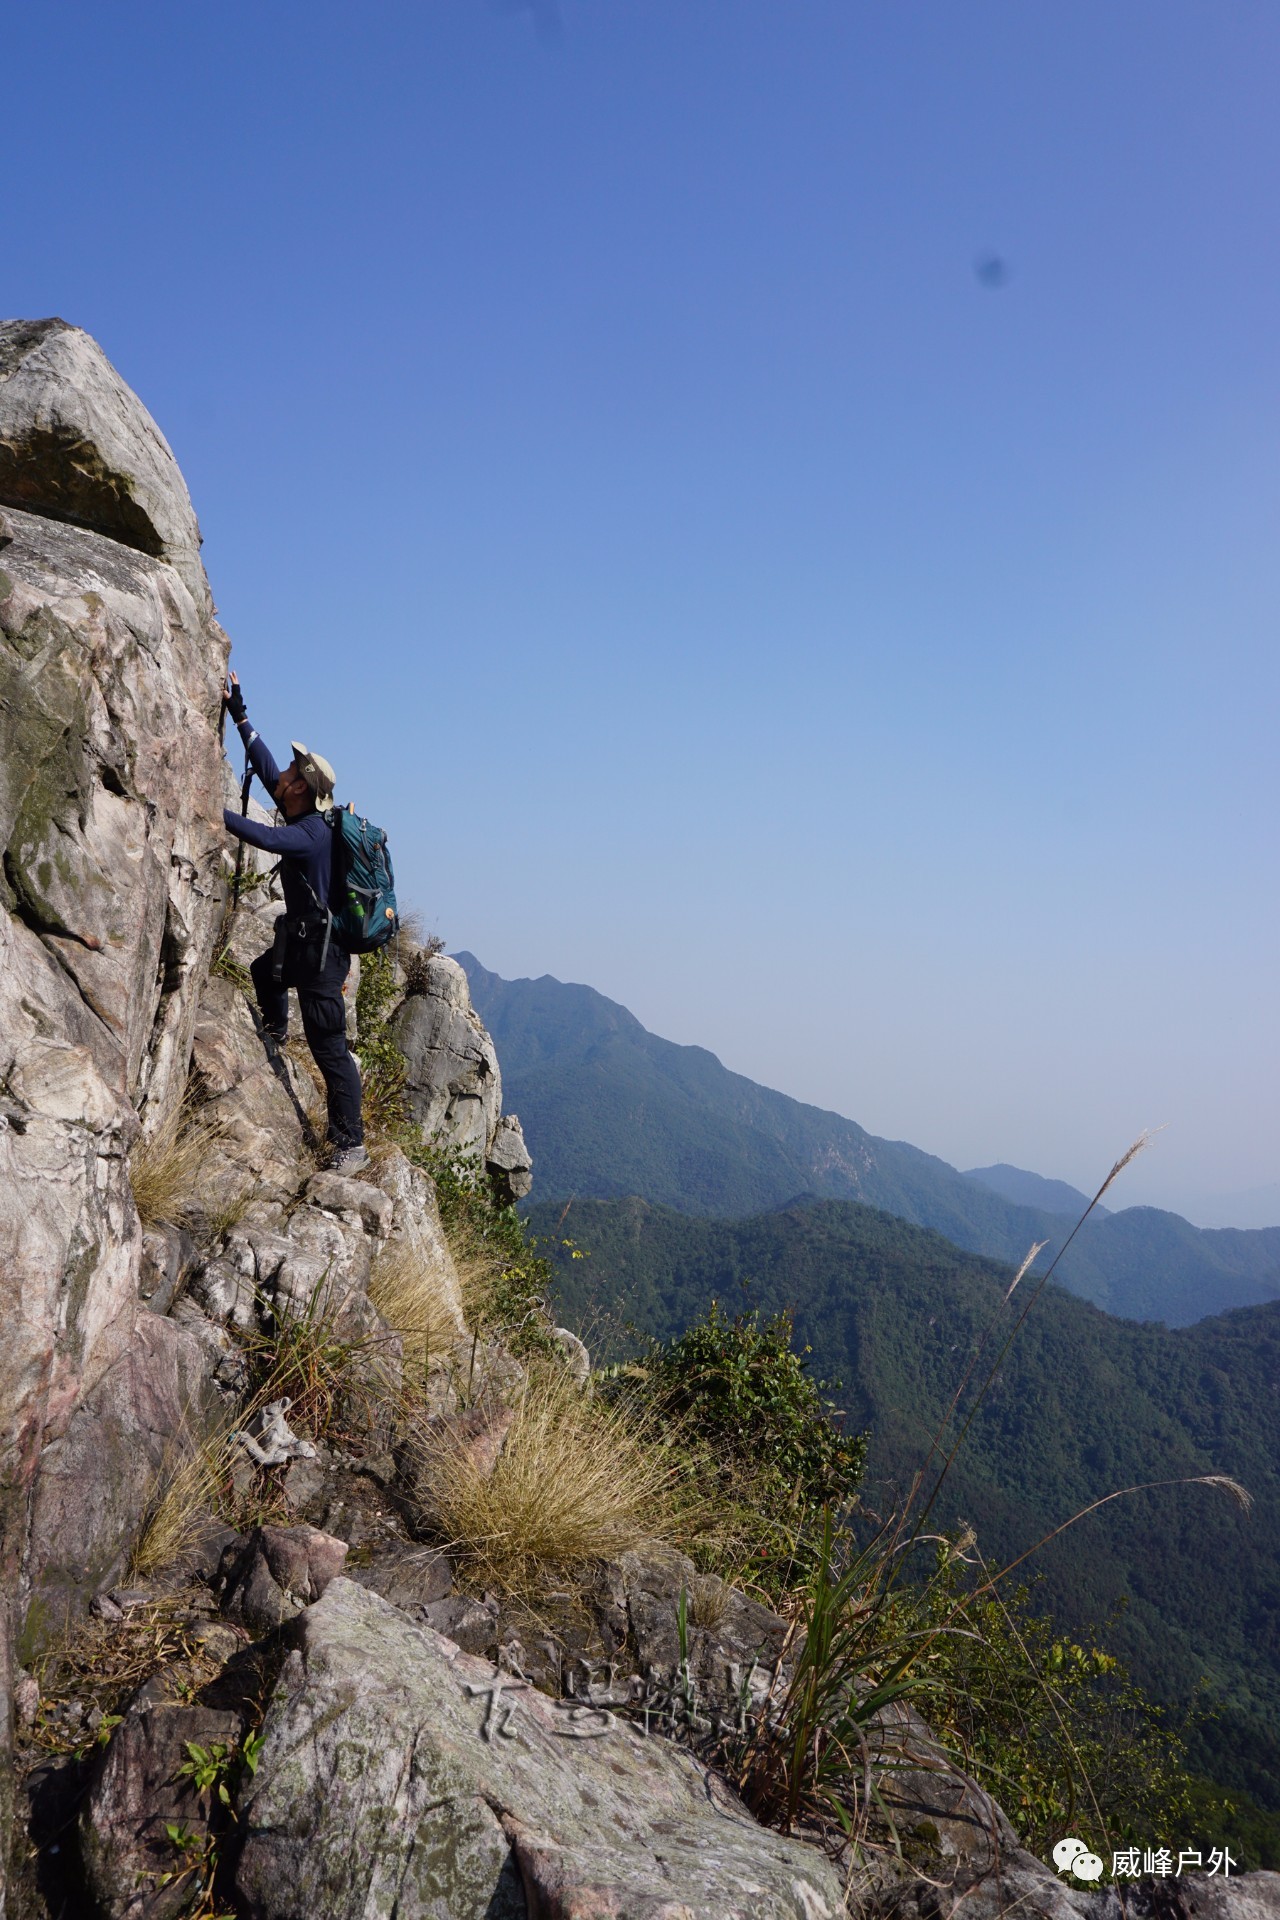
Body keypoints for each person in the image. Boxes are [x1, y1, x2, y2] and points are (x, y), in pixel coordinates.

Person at [221, 670, 368, 1174]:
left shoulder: (310, 832)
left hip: (323, 957)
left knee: (331, 1050)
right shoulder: (305, 810)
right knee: (266, 974)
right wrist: (240, 715)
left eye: (289, 770)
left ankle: (350, 1145)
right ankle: (277, 1033)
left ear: (302, 786)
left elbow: (268, 841)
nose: (280, 773)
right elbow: (263, 769)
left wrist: (211, 812)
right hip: (303, 944)